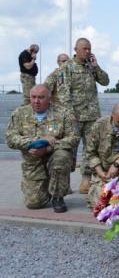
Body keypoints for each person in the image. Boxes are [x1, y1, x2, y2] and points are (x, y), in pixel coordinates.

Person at [5, 84, 78, 212]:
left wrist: (47, 147)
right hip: (33, 161)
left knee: (61, 157)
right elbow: (10, 138)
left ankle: (57, 196)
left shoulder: (63, 112)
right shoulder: (20, 113)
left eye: (41, 97)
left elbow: (74, 138)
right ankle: (43, 187)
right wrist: (35, 142)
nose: (36, 101)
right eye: (33, 97)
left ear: (49, 98)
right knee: (34, 203)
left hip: (55, 156)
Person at [56, 38, 110, 194]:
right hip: (74, 116)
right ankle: (64, 183)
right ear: (76, 49)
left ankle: (86, 180)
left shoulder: (90, 67)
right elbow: (62, 93)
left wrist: (96, 66)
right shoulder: (66, 68)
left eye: (89, 49)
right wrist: (69, 113)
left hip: (92, 116)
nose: (88, 51)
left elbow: (105, 81)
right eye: (85, 49)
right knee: (69, 149)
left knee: (90, 148)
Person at [86, 102, 119, 208]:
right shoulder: (99, 126)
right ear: (112, 115)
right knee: (100, 203)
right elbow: (90, 152)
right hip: (103, 173)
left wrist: (117, 164)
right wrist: (100, 172)